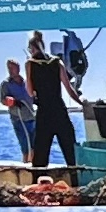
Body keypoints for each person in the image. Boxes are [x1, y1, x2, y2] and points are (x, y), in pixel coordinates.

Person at [25, 31, 80, 176]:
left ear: (32, 48)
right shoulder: (57, 62)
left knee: (40, 159)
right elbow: (69, 89)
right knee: (71, 154)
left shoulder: (30, 64)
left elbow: (30, 92)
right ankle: (77, 183)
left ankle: (40, 188)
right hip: (60, 112)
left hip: (44, 115)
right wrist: (82, 103)